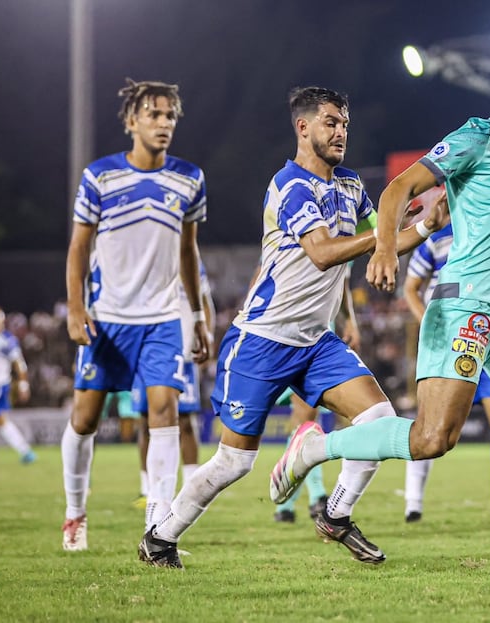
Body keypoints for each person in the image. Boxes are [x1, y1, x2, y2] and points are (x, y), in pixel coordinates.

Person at [271, 49, 490, 583]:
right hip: (463, 308)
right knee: (432, 440)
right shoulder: (476, 137)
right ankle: (316, 447)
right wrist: (386, 248)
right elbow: (398, 188)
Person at [137, 85, 448, 568]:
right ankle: (161, 538)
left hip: (315, 343)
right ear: (303, 128)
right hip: (262, 339)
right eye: (330, 122)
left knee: (378, 422)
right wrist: (379, 237)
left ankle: (336, 514)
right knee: (235, 463)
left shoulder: (348, 185)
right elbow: (324, 253)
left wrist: (426, 223)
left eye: (344, 122)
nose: (341, 131)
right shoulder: (291, 185)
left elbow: (385, 238)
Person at [62, 79, 210, 552]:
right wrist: (75, 306)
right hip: (108, 318)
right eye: (153, 114)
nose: (163, 123)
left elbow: (189, 251)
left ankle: (157, 527)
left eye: (169, 116)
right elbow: (79, 248)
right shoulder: (100, 176)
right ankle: (74, 514)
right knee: (85, 420)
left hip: (163, 317)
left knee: (164, 408)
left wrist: (199, 316)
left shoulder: (190, 177)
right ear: (132, 121)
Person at [402, 223, 490, 522]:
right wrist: (429, 322)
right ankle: (413, 503)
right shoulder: (435, 237)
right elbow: (410, 289)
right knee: (429, 425)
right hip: (447, 341)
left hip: (483, 336)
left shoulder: (485, 228)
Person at [273, 269, 360, 523]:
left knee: (307, 424)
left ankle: (286, 505)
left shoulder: (342, 235)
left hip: (323, 337)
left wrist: (350, 320)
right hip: (292, 333)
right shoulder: (293, 234)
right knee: (305, 418)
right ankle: (317, 496)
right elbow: (263, 276)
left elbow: (341, 285)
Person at [132, 258, 216, 515]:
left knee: (187, 420)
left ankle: (191, 487)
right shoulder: (146, 256)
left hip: (183, 354)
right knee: (146, 421)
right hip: (146, 353)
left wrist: (207, 336)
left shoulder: (194, 263)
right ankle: (147, 489)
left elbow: (204, 303)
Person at [0, 306, 36, 464]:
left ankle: (26, 451)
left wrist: (23, 384)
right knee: (0, 420)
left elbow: (19, 363)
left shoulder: (8, 340)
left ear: (3, 321)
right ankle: (25, 451)